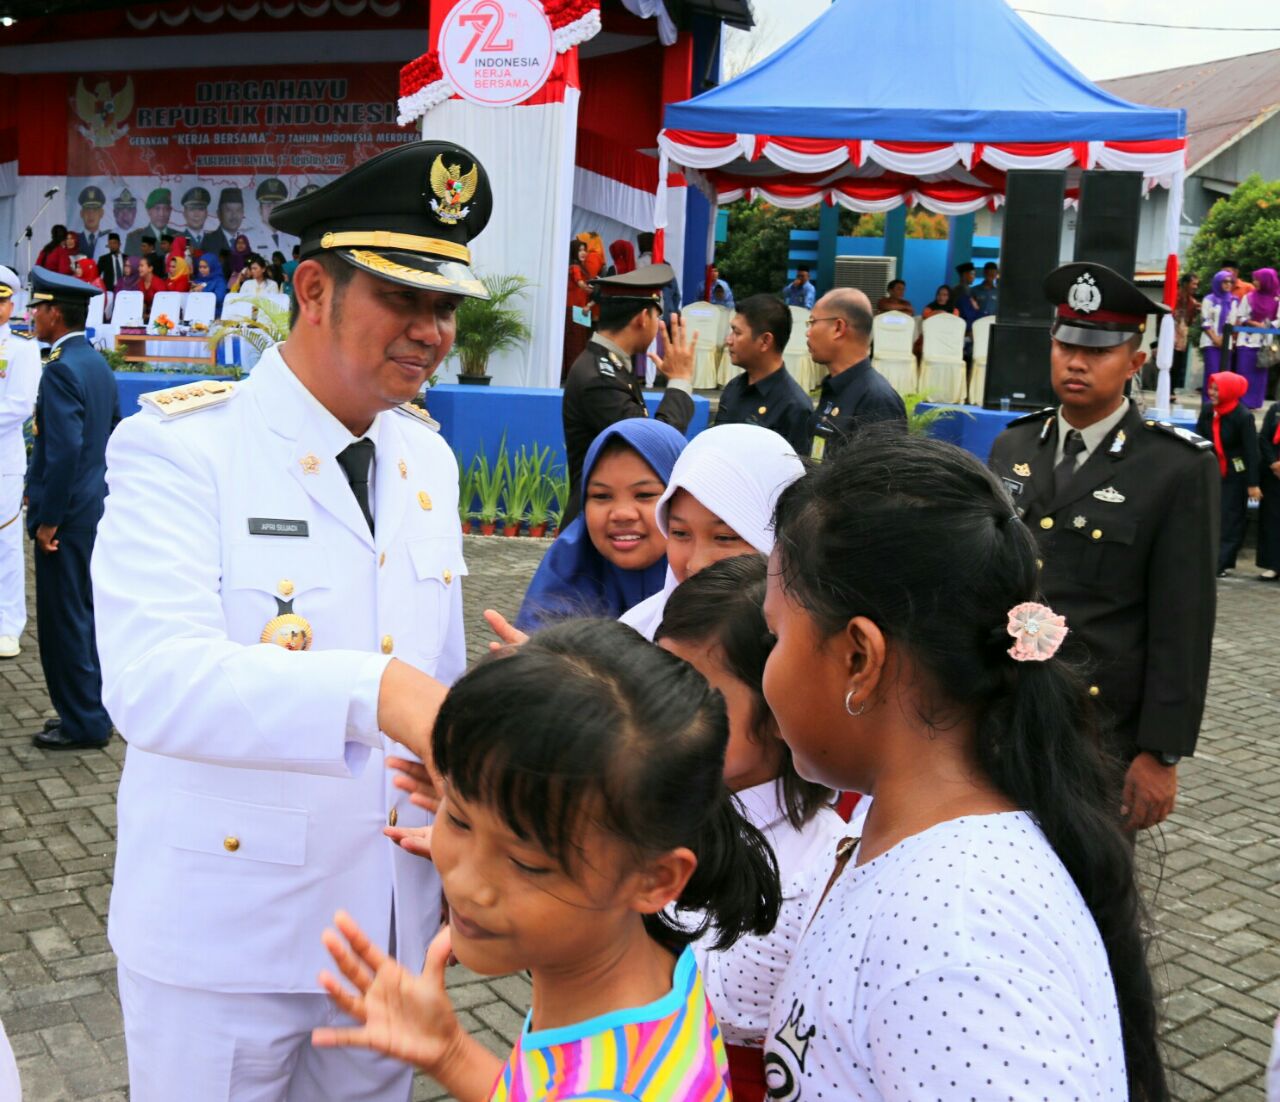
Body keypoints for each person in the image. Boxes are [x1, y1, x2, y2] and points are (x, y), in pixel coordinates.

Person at [90, 140, 494, 1100]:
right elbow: (154, 683)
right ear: (314, 289)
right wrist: (375, 692)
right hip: (225, 938)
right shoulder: (183, 450)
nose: (431, 332)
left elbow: (434, 679)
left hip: (382, 938)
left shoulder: (425, 460)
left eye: (445, 307)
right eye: (405, 298)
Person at [760, 428, 1165, 1101]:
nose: (764, 667)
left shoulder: (957, 935)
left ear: (859, 656)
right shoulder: (917, 848)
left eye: (774, 635)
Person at [311, 619, 782, 1101]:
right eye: (457, 818)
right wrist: (448, 1053)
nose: (471, 885)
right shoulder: (655, 965)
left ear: (656, 878)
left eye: (527, 862)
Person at [989, 261, 1219, 831]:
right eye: (1066, 344)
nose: (1076, 361)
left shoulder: (1173, 468)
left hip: (1100, 731)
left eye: (1097, 351)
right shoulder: (1013, 446)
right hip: (1001, 715)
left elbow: (1182, 622)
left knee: (1093, 895)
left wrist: (1161, 753)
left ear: (1134, 362)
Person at [655, 555, 843, 1102]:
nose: (662, 713)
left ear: (784, 705)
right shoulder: (638, 806)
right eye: (659, 682)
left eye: (696, 695)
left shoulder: (825, 865)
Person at [26, 267, 119, 750]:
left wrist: (48, 520)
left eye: (37, 308)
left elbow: (62, 452)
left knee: (66, 622)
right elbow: (111, 434)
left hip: (66, 520)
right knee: (85, 615)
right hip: (92, 511)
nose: (32, 316)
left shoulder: (62, 367)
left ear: (55, 313)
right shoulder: (95, 363)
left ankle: (82, 721)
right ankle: (91, 711)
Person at [621, 423, 805, 640]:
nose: (696, 564)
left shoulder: (815, 657)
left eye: (724, 538)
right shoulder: (633, 640)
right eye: (680, 533)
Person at [514, 419, 686, 631]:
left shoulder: (719, 591)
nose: (622, 514)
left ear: (682, 499)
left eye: (644, 494)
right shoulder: (563, 579)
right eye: (602, 496)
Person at [561, 264, 695, 525]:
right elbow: (654, 447)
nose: (658, 326)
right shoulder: (600, 379)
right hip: (596, 528)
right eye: (658, 318)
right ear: (643, 318)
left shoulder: (610, 366)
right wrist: (679, 382)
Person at [804, 286, 906, 461]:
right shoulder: (835, 386)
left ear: (838, 328)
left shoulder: (877, 399)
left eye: (813, 322)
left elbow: (880, 479)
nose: (808, 332)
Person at [0, 267, 41, 659]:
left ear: (11, 305)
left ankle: (8, 625)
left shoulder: (22, 349)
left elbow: (20, 405)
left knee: (6, 542)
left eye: (0, 300)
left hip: (3, 461)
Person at [714, 294, 813, 453]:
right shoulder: (733, 387)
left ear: (765, 341)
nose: (729, 340)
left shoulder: (794, 407)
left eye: (737, 333)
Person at [1197, 371, 1261, 576]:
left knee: (1230, 517)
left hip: (1235, 473)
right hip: (1212, 469)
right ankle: (1205, 557)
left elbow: (1252, 452)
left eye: (1217, 389)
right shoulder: (1208, 410)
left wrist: (1253, 483)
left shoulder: (1243, 416)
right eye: (1211, 388)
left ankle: (1222, 562)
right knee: (1209, 514)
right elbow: (1199, 438)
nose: (1212, 393)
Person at [1234, 267, 1280, 408]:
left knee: (1259, 374)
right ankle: (1241, 402)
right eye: (1254, 279)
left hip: (1264, 343)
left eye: (1258, 280)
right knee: (1243, 370)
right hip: (1246, 341)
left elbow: (1279, 319)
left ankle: (1254, 402)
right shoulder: (1249, 297)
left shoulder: (1277, 299)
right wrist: (1251, 322)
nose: (1255, 282)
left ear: (1267, 281)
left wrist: (1266, 325)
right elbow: (1240, 315)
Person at [1200, 269, 1238, 389]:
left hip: (1226, 343)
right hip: (1210, 341)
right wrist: (1215, 338)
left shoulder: (1233, 300)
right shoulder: (1209, 299)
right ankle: (1208, 405)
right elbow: (1205, 320)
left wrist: (1223, 339)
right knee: (1212, 374)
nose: (1228, 284)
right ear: (1217, 282)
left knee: (1224, 376)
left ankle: (1221, 405)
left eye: (1231, 282)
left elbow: (1231, 321)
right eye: (1225, 281)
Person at [561, 239, 592, 382]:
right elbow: (581, 284)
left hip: (579, 310)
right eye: (580, 250)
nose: (583, 253)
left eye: (585, 249)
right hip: (573, 310)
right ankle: (574, 376)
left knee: (577, 344)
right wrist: (596, 288)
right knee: (575, 345)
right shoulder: (575, 268)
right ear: (574, 251)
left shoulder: (580, 267)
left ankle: (572, 375)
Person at [1260, 399, 1280, 580]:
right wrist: (1273, 462)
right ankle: (1273, 564)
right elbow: (1264, 437)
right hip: (1274, 474)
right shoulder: (1276, 409)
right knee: (1272, 519)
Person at [1172, 271, 1200, 393]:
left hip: (1182, 337)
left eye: (1197, 284)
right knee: (1168, 363)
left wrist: (1196, 312)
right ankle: (1165, 390)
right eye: (1193, 284)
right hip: (1169, 335)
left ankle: (1171, 390)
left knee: (1177, 365)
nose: (1195, 287)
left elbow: (1190, 322)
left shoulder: (1192, 303)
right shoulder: (1172, 297)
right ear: (1185, 284)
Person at [124, 188, 172, 257]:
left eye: (166, 209)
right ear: (149, 211)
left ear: (170, 211)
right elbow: (129, 266)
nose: (162, 214)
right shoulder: (134, 239)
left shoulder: (180, 237)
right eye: (157, 209)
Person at [201, 186, 246, 258]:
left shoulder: (247, 240)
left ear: (243, 213)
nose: (234, 215)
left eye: (238, 210)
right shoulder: (208, 242)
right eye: (228, 210)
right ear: (219, 213)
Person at [254, 177, 293, 256]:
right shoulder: (250, 237)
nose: (272, 209)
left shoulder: (294, 235)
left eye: (276, 204)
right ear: (260, 210)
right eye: (268, 205)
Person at [76, 185, 108, 259]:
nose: (91, 214)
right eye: (87, 209)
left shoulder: (107, 240)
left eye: (95, 210)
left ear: (101, 213)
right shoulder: (75, 240)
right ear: (81, 213)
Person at [181, 186, 213, 254]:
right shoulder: (178, 239)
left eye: (201, 209)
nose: (196, 214)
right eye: (192, 209)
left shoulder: (213, 240)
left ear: (206, 213)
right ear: (184, 213)